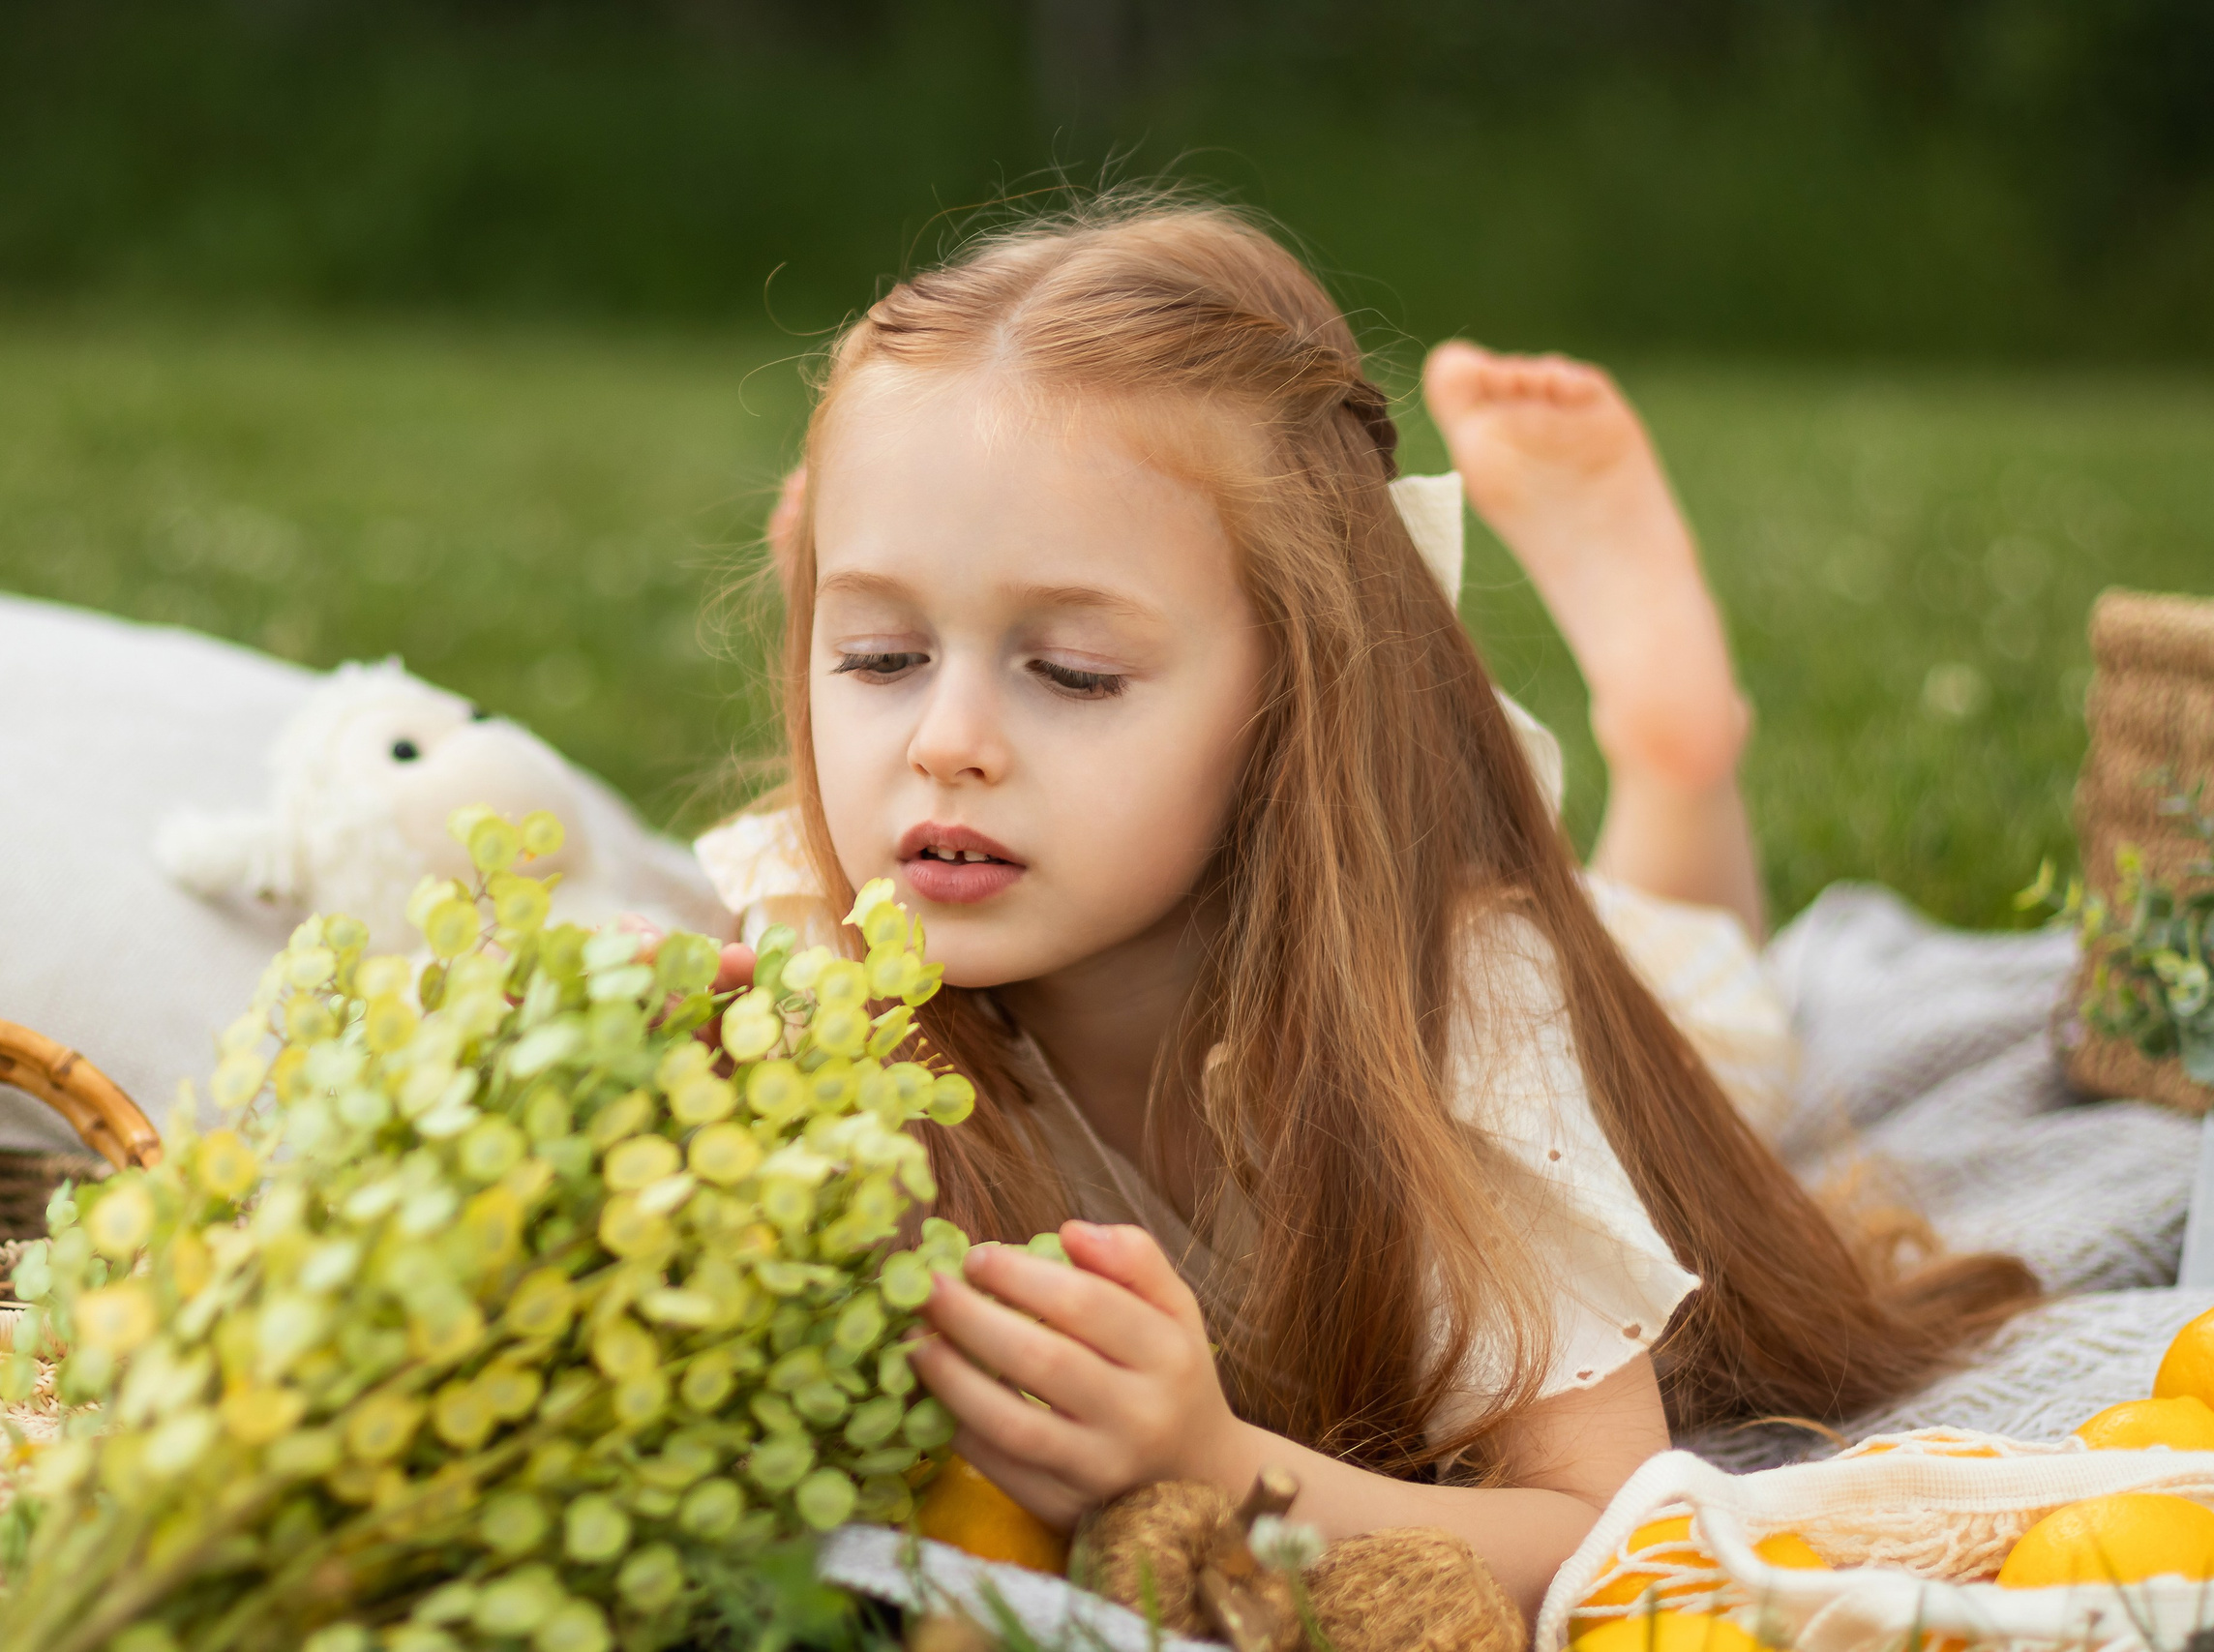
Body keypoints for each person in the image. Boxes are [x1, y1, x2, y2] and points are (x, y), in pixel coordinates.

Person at [699, 197, 2031, 1614]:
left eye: (1075, 671)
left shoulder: (1469, 1018)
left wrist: (1216, 1463)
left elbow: (1615, 1533)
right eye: (881, 653)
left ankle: (1675, 753)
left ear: (1291, 700)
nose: (945, 742)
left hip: (1587, 1001)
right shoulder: (823, 929)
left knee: (1710, 994)